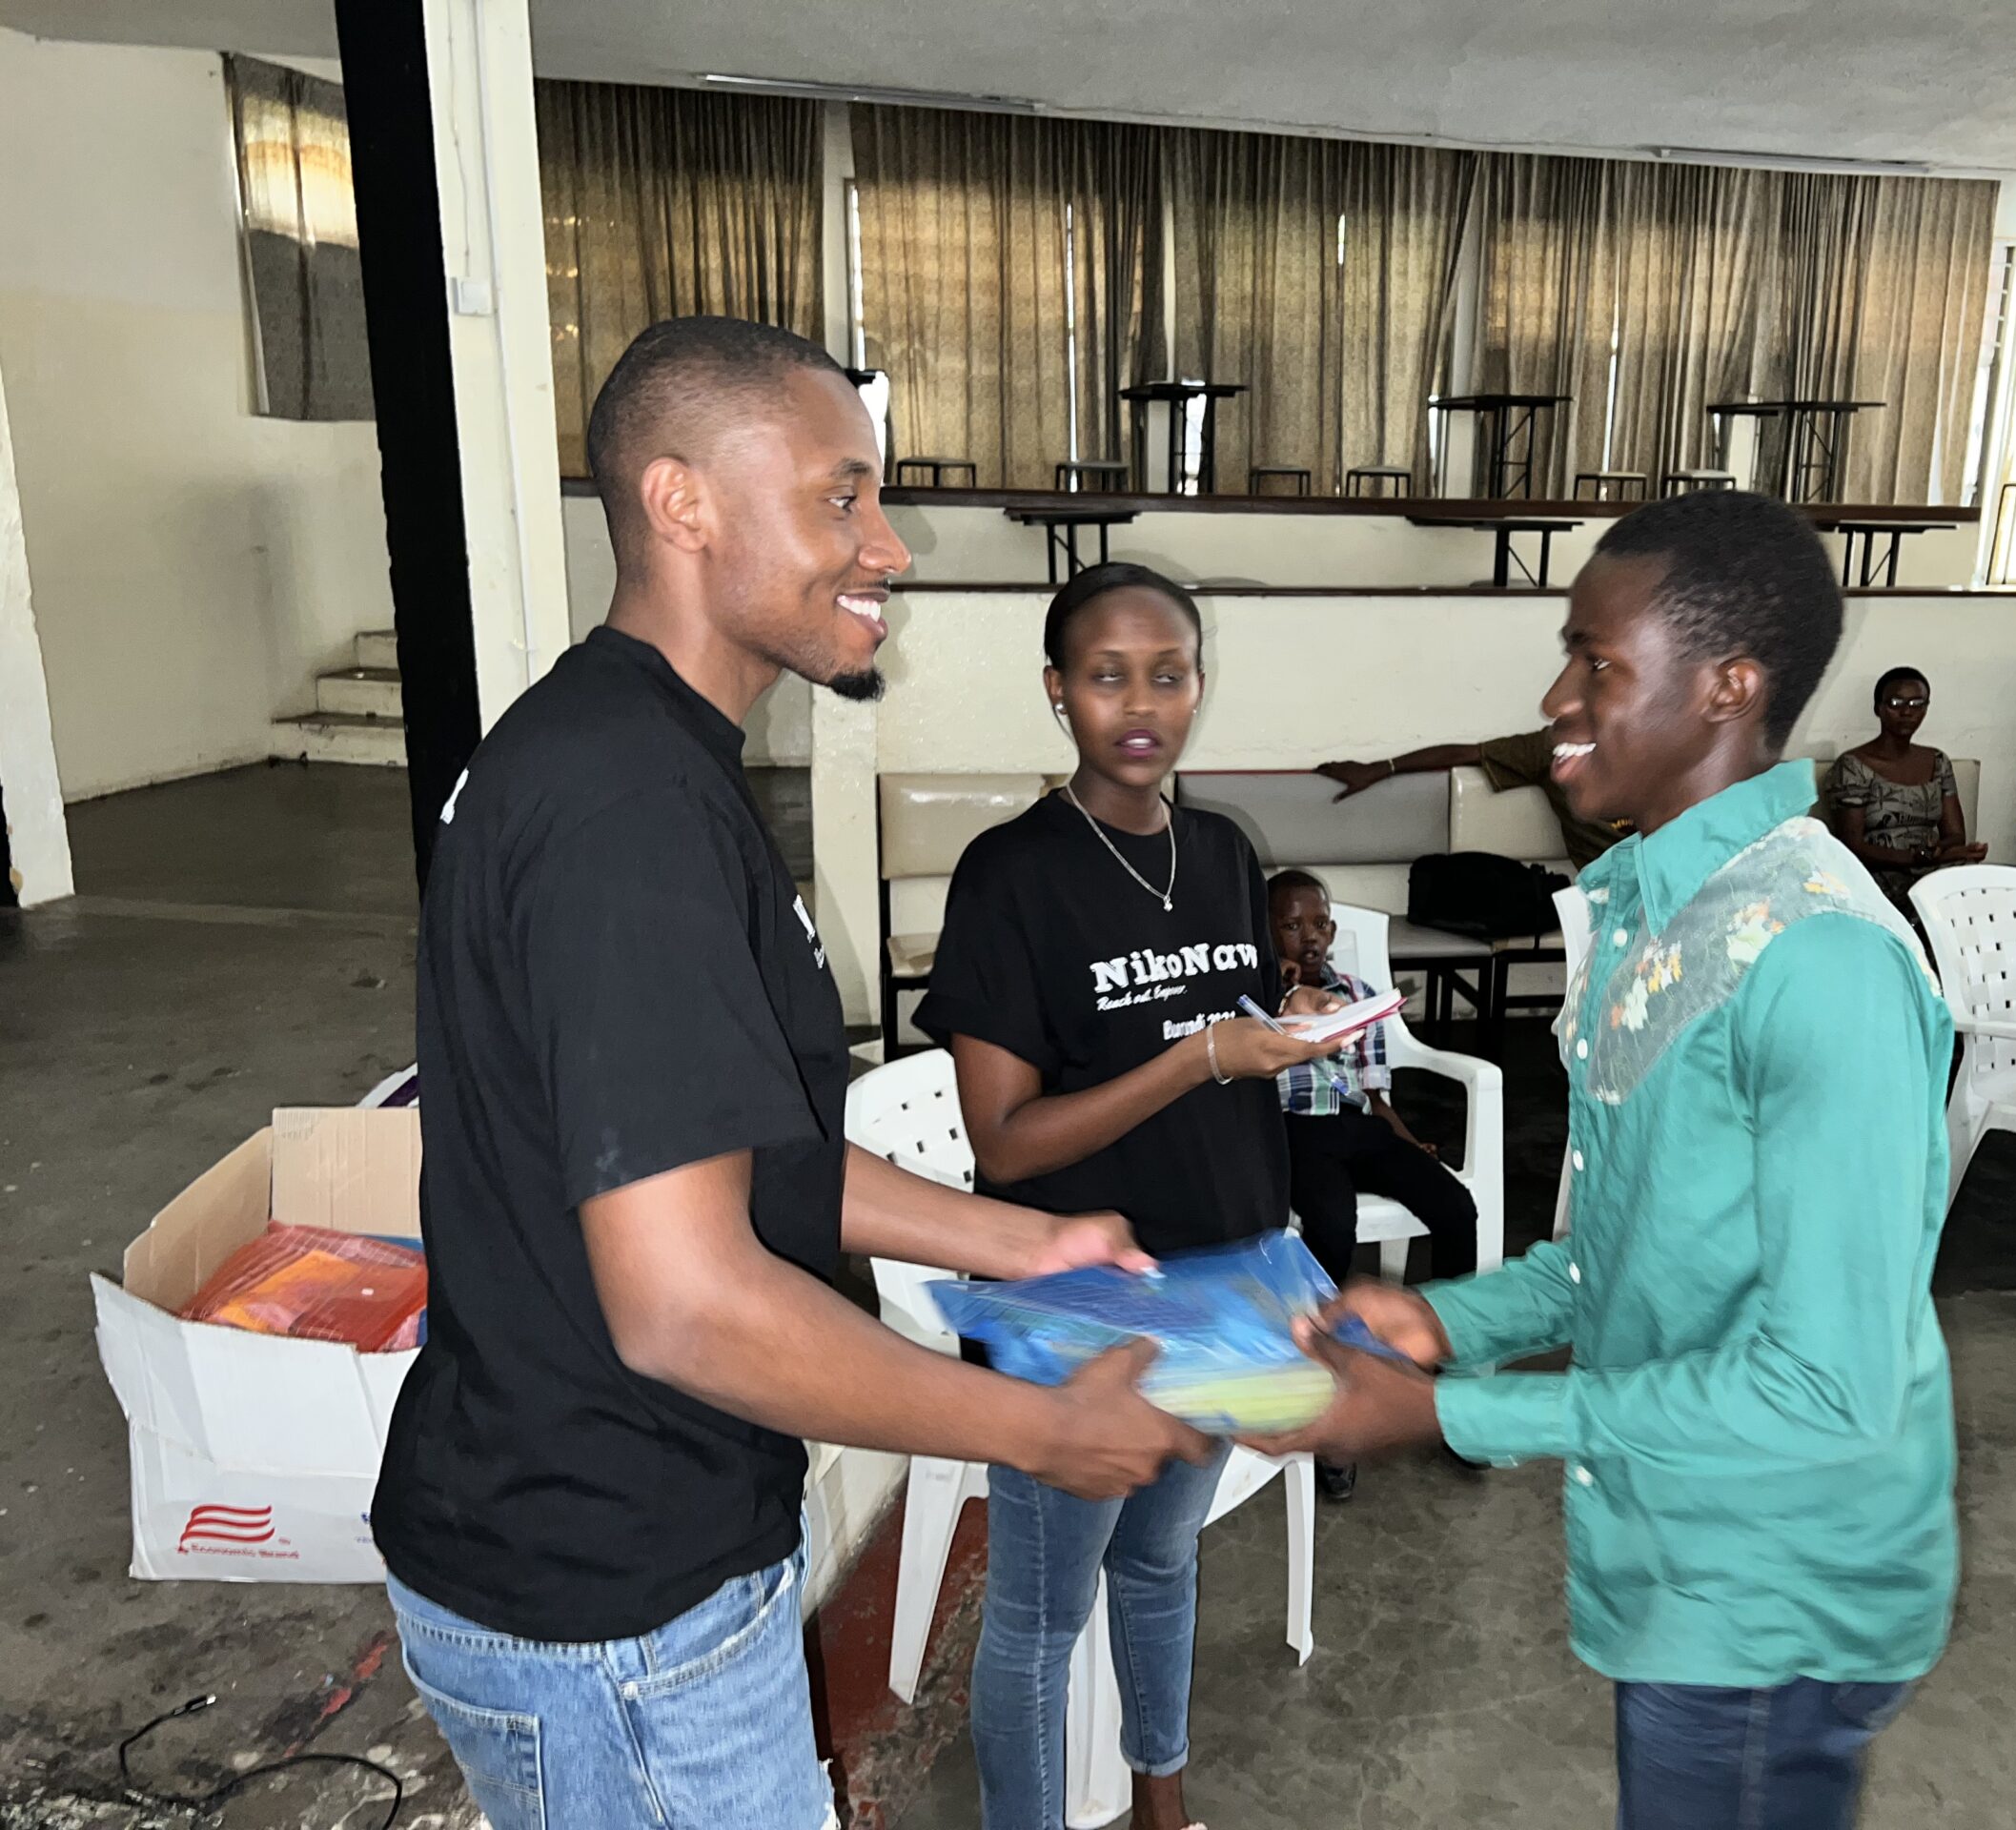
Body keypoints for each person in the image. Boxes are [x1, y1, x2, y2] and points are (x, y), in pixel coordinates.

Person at [371, 319, 1206, 1830]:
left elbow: (754, 1158)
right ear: (682, 503)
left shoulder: (640, 757)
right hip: (611, 1606)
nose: (888, 546)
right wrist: (1036, 1430)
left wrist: (1028, 1241)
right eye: (841, 498)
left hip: (625, 1558)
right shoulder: (627, 808)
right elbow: (687, 1304)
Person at [1253, 490, 1957, 1830]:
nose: (1557, 699)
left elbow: (1827, 1392)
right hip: (1678, 1545)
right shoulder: (1658, 916)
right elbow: (1615, 1256)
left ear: (1727, 687)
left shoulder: (1821, 961)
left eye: (1596, 663)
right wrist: (1438, 1323)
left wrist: (1448, 1416)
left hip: (1770, 1589)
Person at [913, 561, 1341, 1830]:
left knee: (1160, 1560)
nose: (1142, 704)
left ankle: (1162, 1802)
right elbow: (1005, 1144)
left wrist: (1285, 1027)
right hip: (1080, 1298)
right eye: (1109, 676)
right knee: (1042, 1614)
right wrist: (1198, 1055)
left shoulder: (1223, 852)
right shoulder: (1010, 875)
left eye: (1170, 674)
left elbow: (1228, 1038)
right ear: (1058, 691)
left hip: (1225, 1269)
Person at [1267, 866, 1478, 1501]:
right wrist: (1280, 998)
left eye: (1319, 924)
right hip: (1294, 1132)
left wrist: (1407, 1141)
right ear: (1266, 932)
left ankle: (1443, 1384)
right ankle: (1332, 1396)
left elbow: (1376, 1094)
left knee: (1455, 1207)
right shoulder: (1254, 1003)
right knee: (1332, 1224)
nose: (1310, 936)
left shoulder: (1356, 993)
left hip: (1359, 1127)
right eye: (1292, 925)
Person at [1316, 726, 1630, 870]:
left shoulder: (1654, 747)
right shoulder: (1558, 746)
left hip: (1657, 881)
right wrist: (1382, 768)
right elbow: (1467, 754)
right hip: (1612, 888)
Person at [1828, 665, 1985, 903]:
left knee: (1984, 894)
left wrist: (1938, 851)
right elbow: (1852, 845)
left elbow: (1955, 835)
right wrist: (1916, 857)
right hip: (1877, 875)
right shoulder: (1853, 766)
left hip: (1933, 870)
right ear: (1878, 708)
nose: (1906, 712)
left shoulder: (1938, 761)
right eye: (1895, 703)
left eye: (1916, 704)